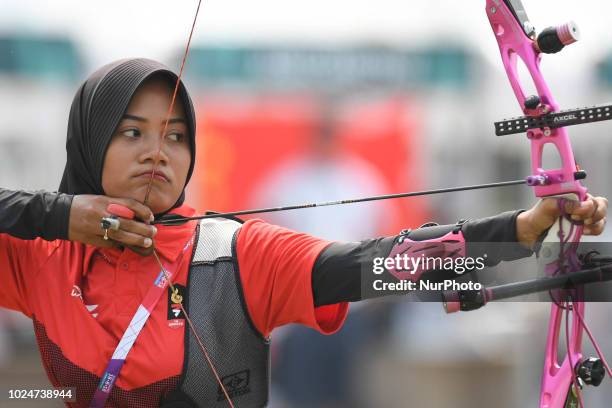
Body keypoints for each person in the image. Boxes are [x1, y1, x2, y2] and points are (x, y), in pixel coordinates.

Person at [0, 58, 607, 408]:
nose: (158, 151)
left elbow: (372, 261)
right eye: (132, 132)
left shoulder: (232, 253)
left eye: (176, 135)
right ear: (88, 139)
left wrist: (522, 231)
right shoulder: (42, 255)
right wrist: (58, 215)